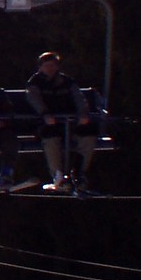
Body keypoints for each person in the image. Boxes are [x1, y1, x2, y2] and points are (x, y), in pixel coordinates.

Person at [25, 51, 97, 192]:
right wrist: (45, 114)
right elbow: (34, 100)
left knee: (88, 133)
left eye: (53, 65)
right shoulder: (35, 83)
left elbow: (79, 98)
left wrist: (83, 113)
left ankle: (78, 172)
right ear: (40, 67)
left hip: (69, 123)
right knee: (50, 136)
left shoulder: (67, 82)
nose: (50, 68)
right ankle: (58, 176)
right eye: (46, 66)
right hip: (47, 124)